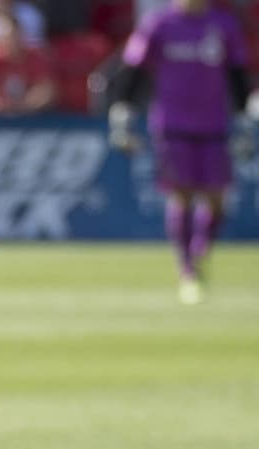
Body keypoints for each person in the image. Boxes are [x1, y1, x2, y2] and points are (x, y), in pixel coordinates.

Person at [108, 0, 256, 305]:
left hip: (214, 123)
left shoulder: (223, 25)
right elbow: (135, 69)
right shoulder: (159, 25)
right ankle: (187, 269)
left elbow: (237, 73)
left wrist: (242, 117)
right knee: (182, 193)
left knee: (216, 198)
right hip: (172, 123)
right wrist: (123, 108)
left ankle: (201, 251)